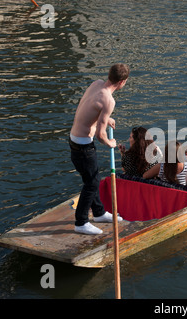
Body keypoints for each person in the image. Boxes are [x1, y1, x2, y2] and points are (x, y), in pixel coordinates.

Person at [69, 63, 129, 235]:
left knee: (92, 177)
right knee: (92, 182)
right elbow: (100, 135)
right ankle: (81, 222)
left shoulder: (96, 83)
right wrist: (110, 143)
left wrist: (106, 118)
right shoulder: (109, 100)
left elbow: (88, 107)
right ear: (122, 82)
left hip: (74, 139)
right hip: (83, 145)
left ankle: (99, 213)